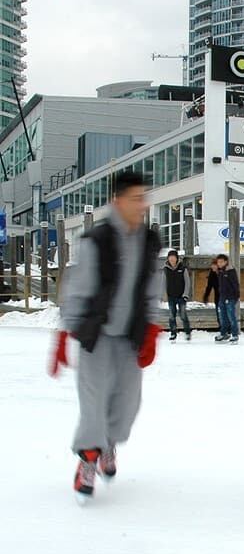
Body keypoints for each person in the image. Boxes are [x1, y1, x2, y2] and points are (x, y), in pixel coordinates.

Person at [49, 171, 162, 502]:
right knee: (93, 402)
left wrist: (152, 328)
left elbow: (152, 288)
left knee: (128, 402)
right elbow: (77, 289)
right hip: (96, 334)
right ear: (118, 200)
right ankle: (88, 459)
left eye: (145, 197)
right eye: (136, 198)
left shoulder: (149, 240)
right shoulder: (96, 240)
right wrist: (62, 333)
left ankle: (108, 444)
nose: (143, 205)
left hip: (130, 334)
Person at [162, 249, 191, 341]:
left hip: (181, 296)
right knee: (171, 315)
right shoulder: (166, 269)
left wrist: (185, 294)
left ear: (177, 258)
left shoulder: (183, 268)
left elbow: (187, 282)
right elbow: (163, 282)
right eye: (170, 257)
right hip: (171, 296)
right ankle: (173, 333)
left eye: (173, 257)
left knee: (183, 315)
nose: (172, 259)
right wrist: (164, 295)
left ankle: (187, 332)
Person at [215, 253, 240, 344]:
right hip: (222, 297)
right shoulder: (220, 271)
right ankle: (224, 333)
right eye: (218, 262)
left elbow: (235, 285)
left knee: (231, 316)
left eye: (221, 262)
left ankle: (235, 335)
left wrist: (235, 297)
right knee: (222, 317)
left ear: (226, 262)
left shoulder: (231, 271)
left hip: (230, 298)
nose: (220, 264)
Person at [202, 258, 222, 330]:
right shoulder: (212, 274)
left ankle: (227, 329)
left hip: (225, 297)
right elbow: (209, 286)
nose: (213, 267)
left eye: (215, 265)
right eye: (212, 265)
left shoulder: (223, 273)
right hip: (218, 297)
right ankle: (222, 328)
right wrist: (206, 296)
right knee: (219, 314)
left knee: (225, 314)